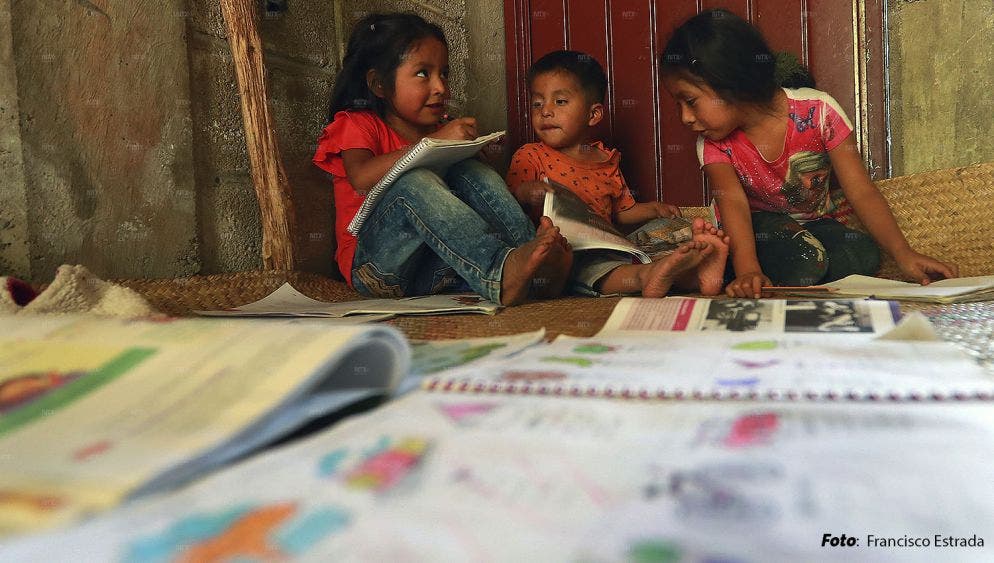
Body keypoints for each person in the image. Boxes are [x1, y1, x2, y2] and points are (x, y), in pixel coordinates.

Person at [660, 9, 958, 298]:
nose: (685, 117)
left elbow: (860, 190)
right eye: (679, 105)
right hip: (755, 229)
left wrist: (903, 254)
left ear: (731, 83)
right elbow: (734, 205)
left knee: (862, 255)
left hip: (813, 224)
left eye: (690, 101)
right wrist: (748, 270)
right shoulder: (713, 143)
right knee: (804, 257)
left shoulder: (819, 112)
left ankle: (761, 269)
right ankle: (725, 267)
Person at [313, 13, 571, 306]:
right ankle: (499, 275)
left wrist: (478, 158)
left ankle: (537, 270)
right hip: (375, 269)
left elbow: (478, 200)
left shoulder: (441, 128)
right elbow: (360, 178)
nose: (440, 87)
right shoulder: (358, 123)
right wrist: (434, 142)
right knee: (414, 181)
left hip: (434, 268)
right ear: (379, 84)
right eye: (423, 73)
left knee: (470, 170)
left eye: (444, 73)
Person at [506, 50, 728, 297]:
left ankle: (691, 273)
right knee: (595, 268)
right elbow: (506, 208)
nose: (545, 111)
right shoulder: (530, 155)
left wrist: (654, 209)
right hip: (561, 254)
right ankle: (647, 276)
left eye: (559, 102)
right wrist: (526, 193)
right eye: (537, 103)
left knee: (654, 238)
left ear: (593, 115)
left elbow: (621, 212)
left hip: (606, 245)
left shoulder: (605, 159)